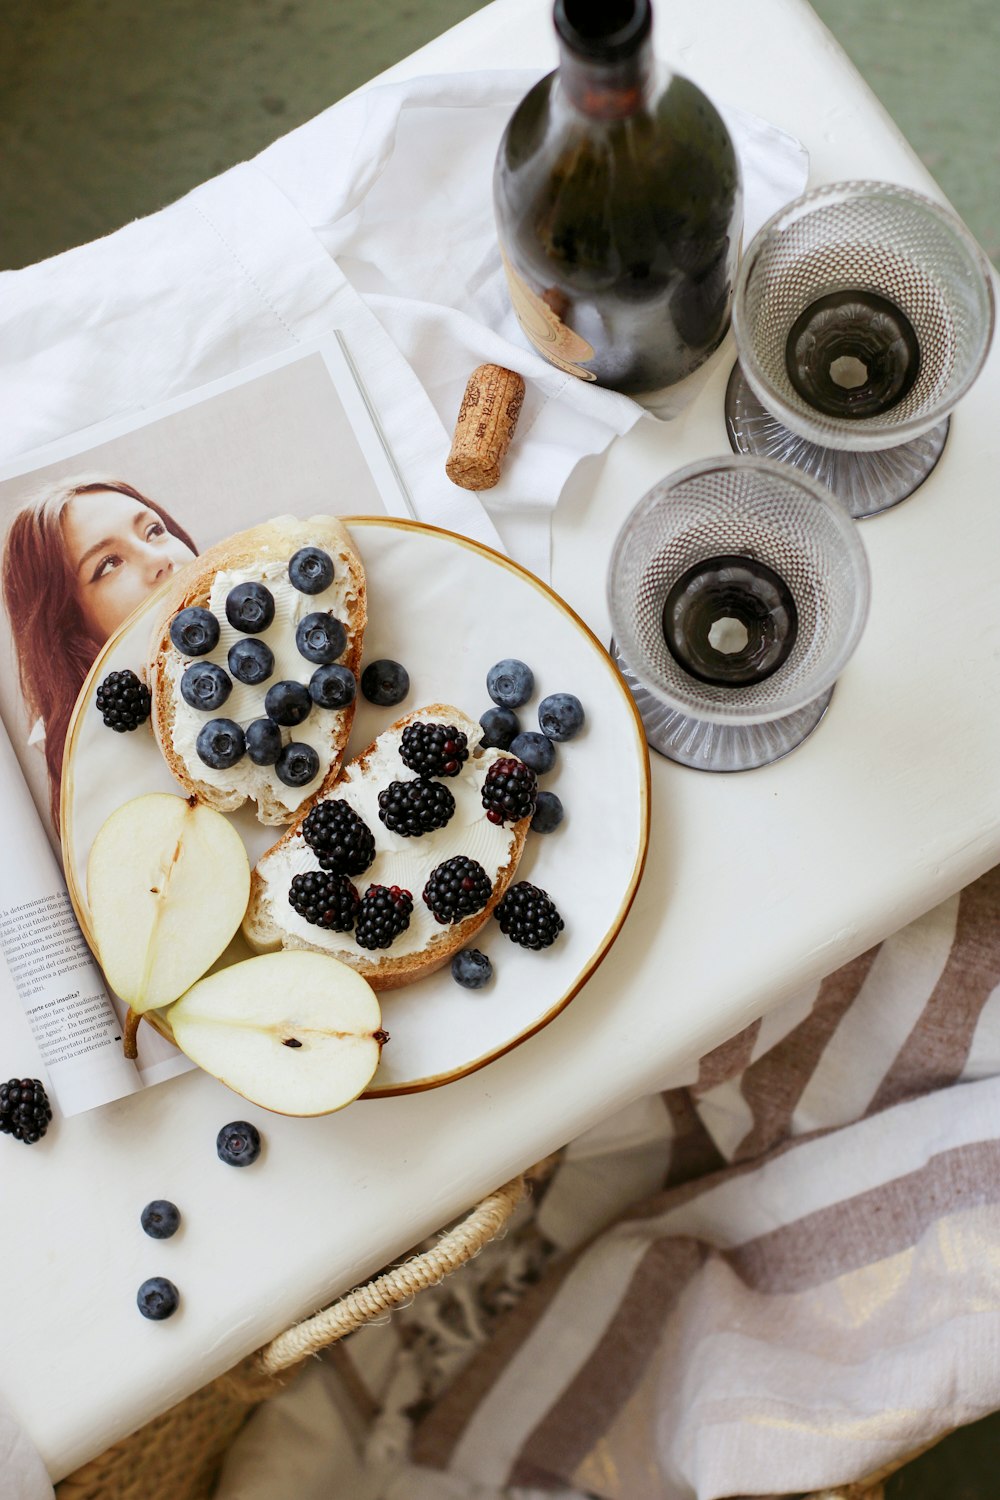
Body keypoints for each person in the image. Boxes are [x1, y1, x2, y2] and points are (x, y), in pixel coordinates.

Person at [2, 477, 198, 830]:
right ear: (71, 628)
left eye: (154, 530)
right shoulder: (121, 794)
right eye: (109, 564)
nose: (160, 560)